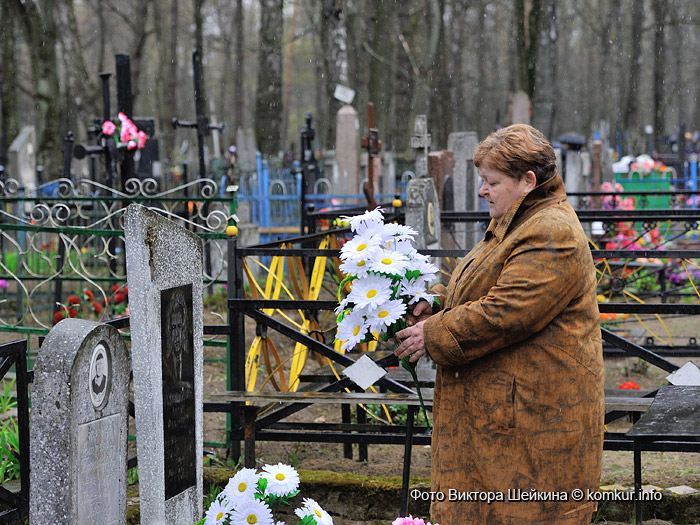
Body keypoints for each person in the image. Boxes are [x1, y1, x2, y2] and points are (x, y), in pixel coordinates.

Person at [395, 124, 604, 524]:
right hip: (505, 417)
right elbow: (483, 286)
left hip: (533, 422)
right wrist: (434, 303)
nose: (482, 191)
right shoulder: (517, 220)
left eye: (491, 181)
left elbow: (506, 312)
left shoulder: (550, 231)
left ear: (527, 181)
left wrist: (434, 333)